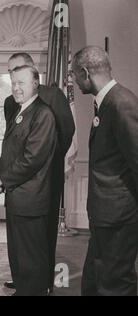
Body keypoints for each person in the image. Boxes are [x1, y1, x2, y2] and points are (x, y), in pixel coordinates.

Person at [3, 53, 75, 292]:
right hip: (23, 181)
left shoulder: (52, 96)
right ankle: (24, 281)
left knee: (41, 237)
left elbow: (65, 132)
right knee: (23, 240)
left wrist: (47, 161)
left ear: (33, 73)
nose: (15, 82)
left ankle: (43, 284)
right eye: (12, 74)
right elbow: (15, 143)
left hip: (46, 177)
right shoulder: (11, 102)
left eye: (20, 74)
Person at [72, 46, 138, 296]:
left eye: (75, 75)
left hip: (119, 218)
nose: (74, 81)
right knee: (95, 281)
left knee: (115, 285)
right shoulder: (107, 103)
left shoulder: (121, 104)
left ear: (86, 73)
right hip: (106, 217)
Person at [0, 65, 57, 296]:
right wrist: (0, 167)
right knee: (19, 252)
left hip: (31, 197)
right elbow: (12, 151)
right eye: (14, 83)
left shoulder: (43, 114)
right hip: (17, 196)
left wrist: (2, 178)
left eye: (22, 83)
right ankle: (23, 289)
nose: (16, 88)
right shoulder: (21, 111)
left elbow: (32, 159)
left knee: (31, 255)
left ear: (35, 84)